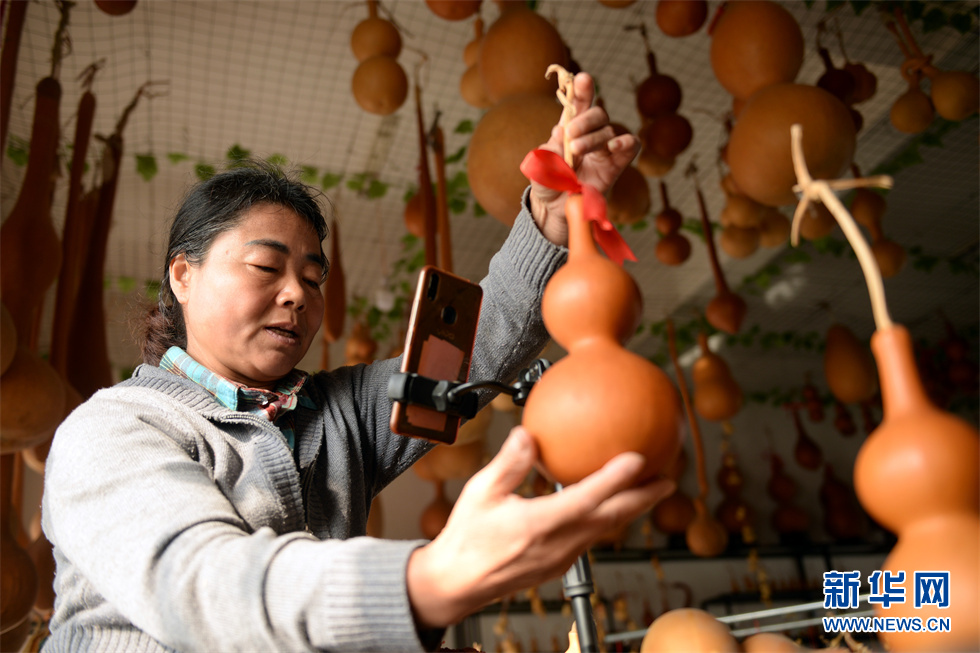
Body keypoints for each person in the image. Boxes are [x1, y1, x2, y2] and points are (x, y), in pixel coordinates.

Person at [41, 72, 675, 652]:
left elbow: (473, 353)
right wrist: (429, 578)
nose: (296, 294)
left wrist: (552, 220)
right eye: (266, 267)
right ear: (183, 275)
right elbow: (204, 586)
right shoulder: (112, 432)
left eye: (313, 278)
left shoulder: (336, 415)